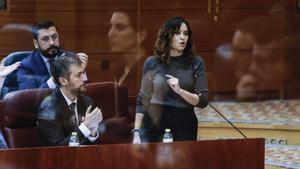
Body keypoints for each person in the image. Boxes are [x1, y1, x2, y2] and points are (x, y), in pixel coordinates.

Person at [132, 16, 208, 143]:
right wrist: (136, 133)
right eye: (177, 33)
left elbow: (203, 101)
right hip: (154, 125)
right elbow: (142, 101)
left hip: (184, 125)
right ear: (167, 36)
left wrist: (180, 91)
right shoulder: (152, 62)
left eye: (186, 33)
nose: (183, 37)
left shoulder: (196, 62)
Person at [37, 55, 103, 146]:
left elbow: (94, 145)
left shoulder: (87, 102)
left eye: (83, 73)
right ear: (63, 81)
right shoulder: (48, 108)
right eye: (79, 75)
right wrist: (85, 128)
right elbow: (58, 148)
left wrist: (92, 133)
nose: (85, 79)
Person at [17, 20, 88, 90]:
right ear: (36, 43)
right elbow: (29, 98)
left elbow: (85, 92)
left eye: (54, 37)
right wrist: (55, 78)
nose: (52, 43)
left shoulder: (72, 58)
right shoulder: (26, 66)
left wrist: (81, 73)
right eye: (45, 39)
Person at [108, 11, 147, 96]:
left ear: (141, 36)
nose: (110, 34)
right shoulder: (120, 68)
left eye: (120, 27)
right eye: (111, 26)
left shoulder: (147, 71)